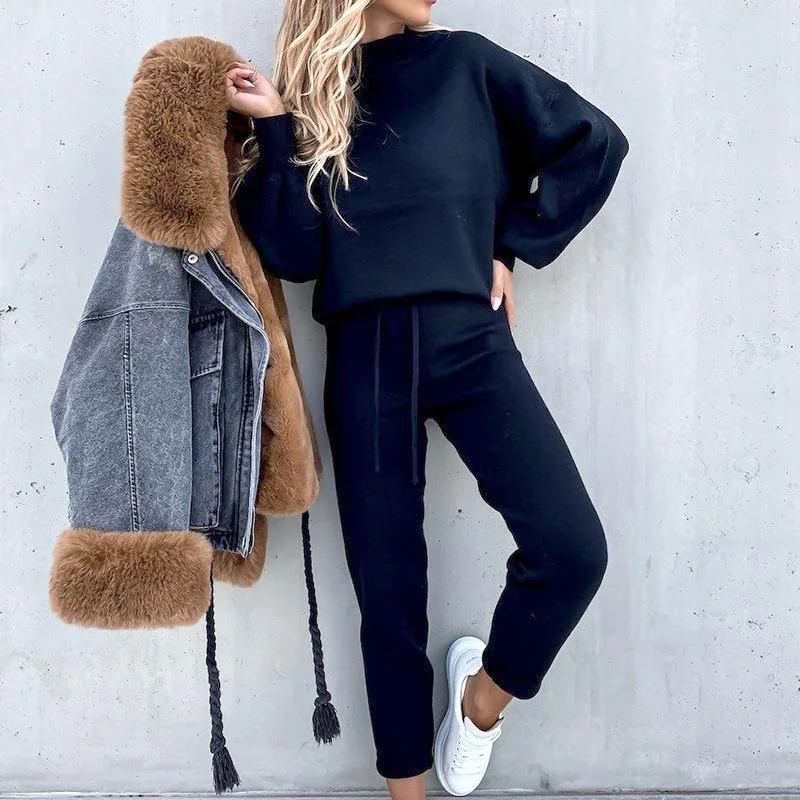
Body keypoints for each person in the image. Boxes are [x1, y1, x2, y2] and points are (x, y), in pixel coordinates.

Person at [226, 1, 629, 797]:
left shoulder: (466, 64)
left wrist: (512, 244)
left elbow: (594, 142)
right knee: (389, 601)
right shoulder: (313, 100)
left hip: (470, 340)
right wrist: (274, 129)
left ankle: (481, 701)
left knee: (571, 549)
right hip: (366, 358)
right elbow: (296, 255)